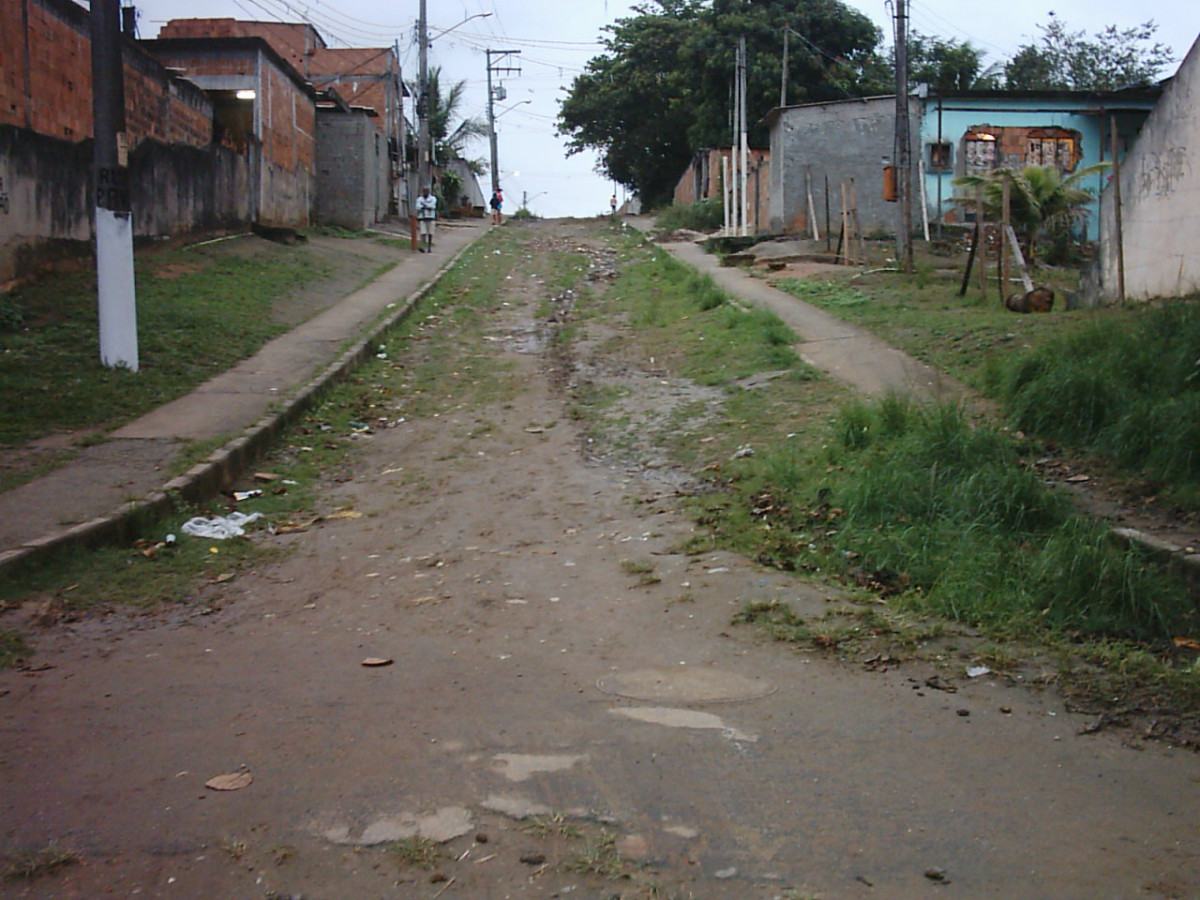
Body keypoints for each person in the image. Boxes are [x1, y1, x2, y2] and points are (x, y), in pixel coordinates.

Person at [416, 186, 438, 252]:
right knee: (423, 233)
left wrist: (424, 206)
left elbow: (432, 206)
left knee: (430, 233)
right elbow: (418, 207)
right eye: (424, 191)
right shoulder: (419, 199)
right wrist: (426, 207)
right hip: (422, 218)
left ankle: (429, 247)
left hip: (431, 218)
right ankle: (422, 247)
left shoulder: (433, 198)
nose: (425, 192)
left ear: (429, 191)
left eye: (426, 191)